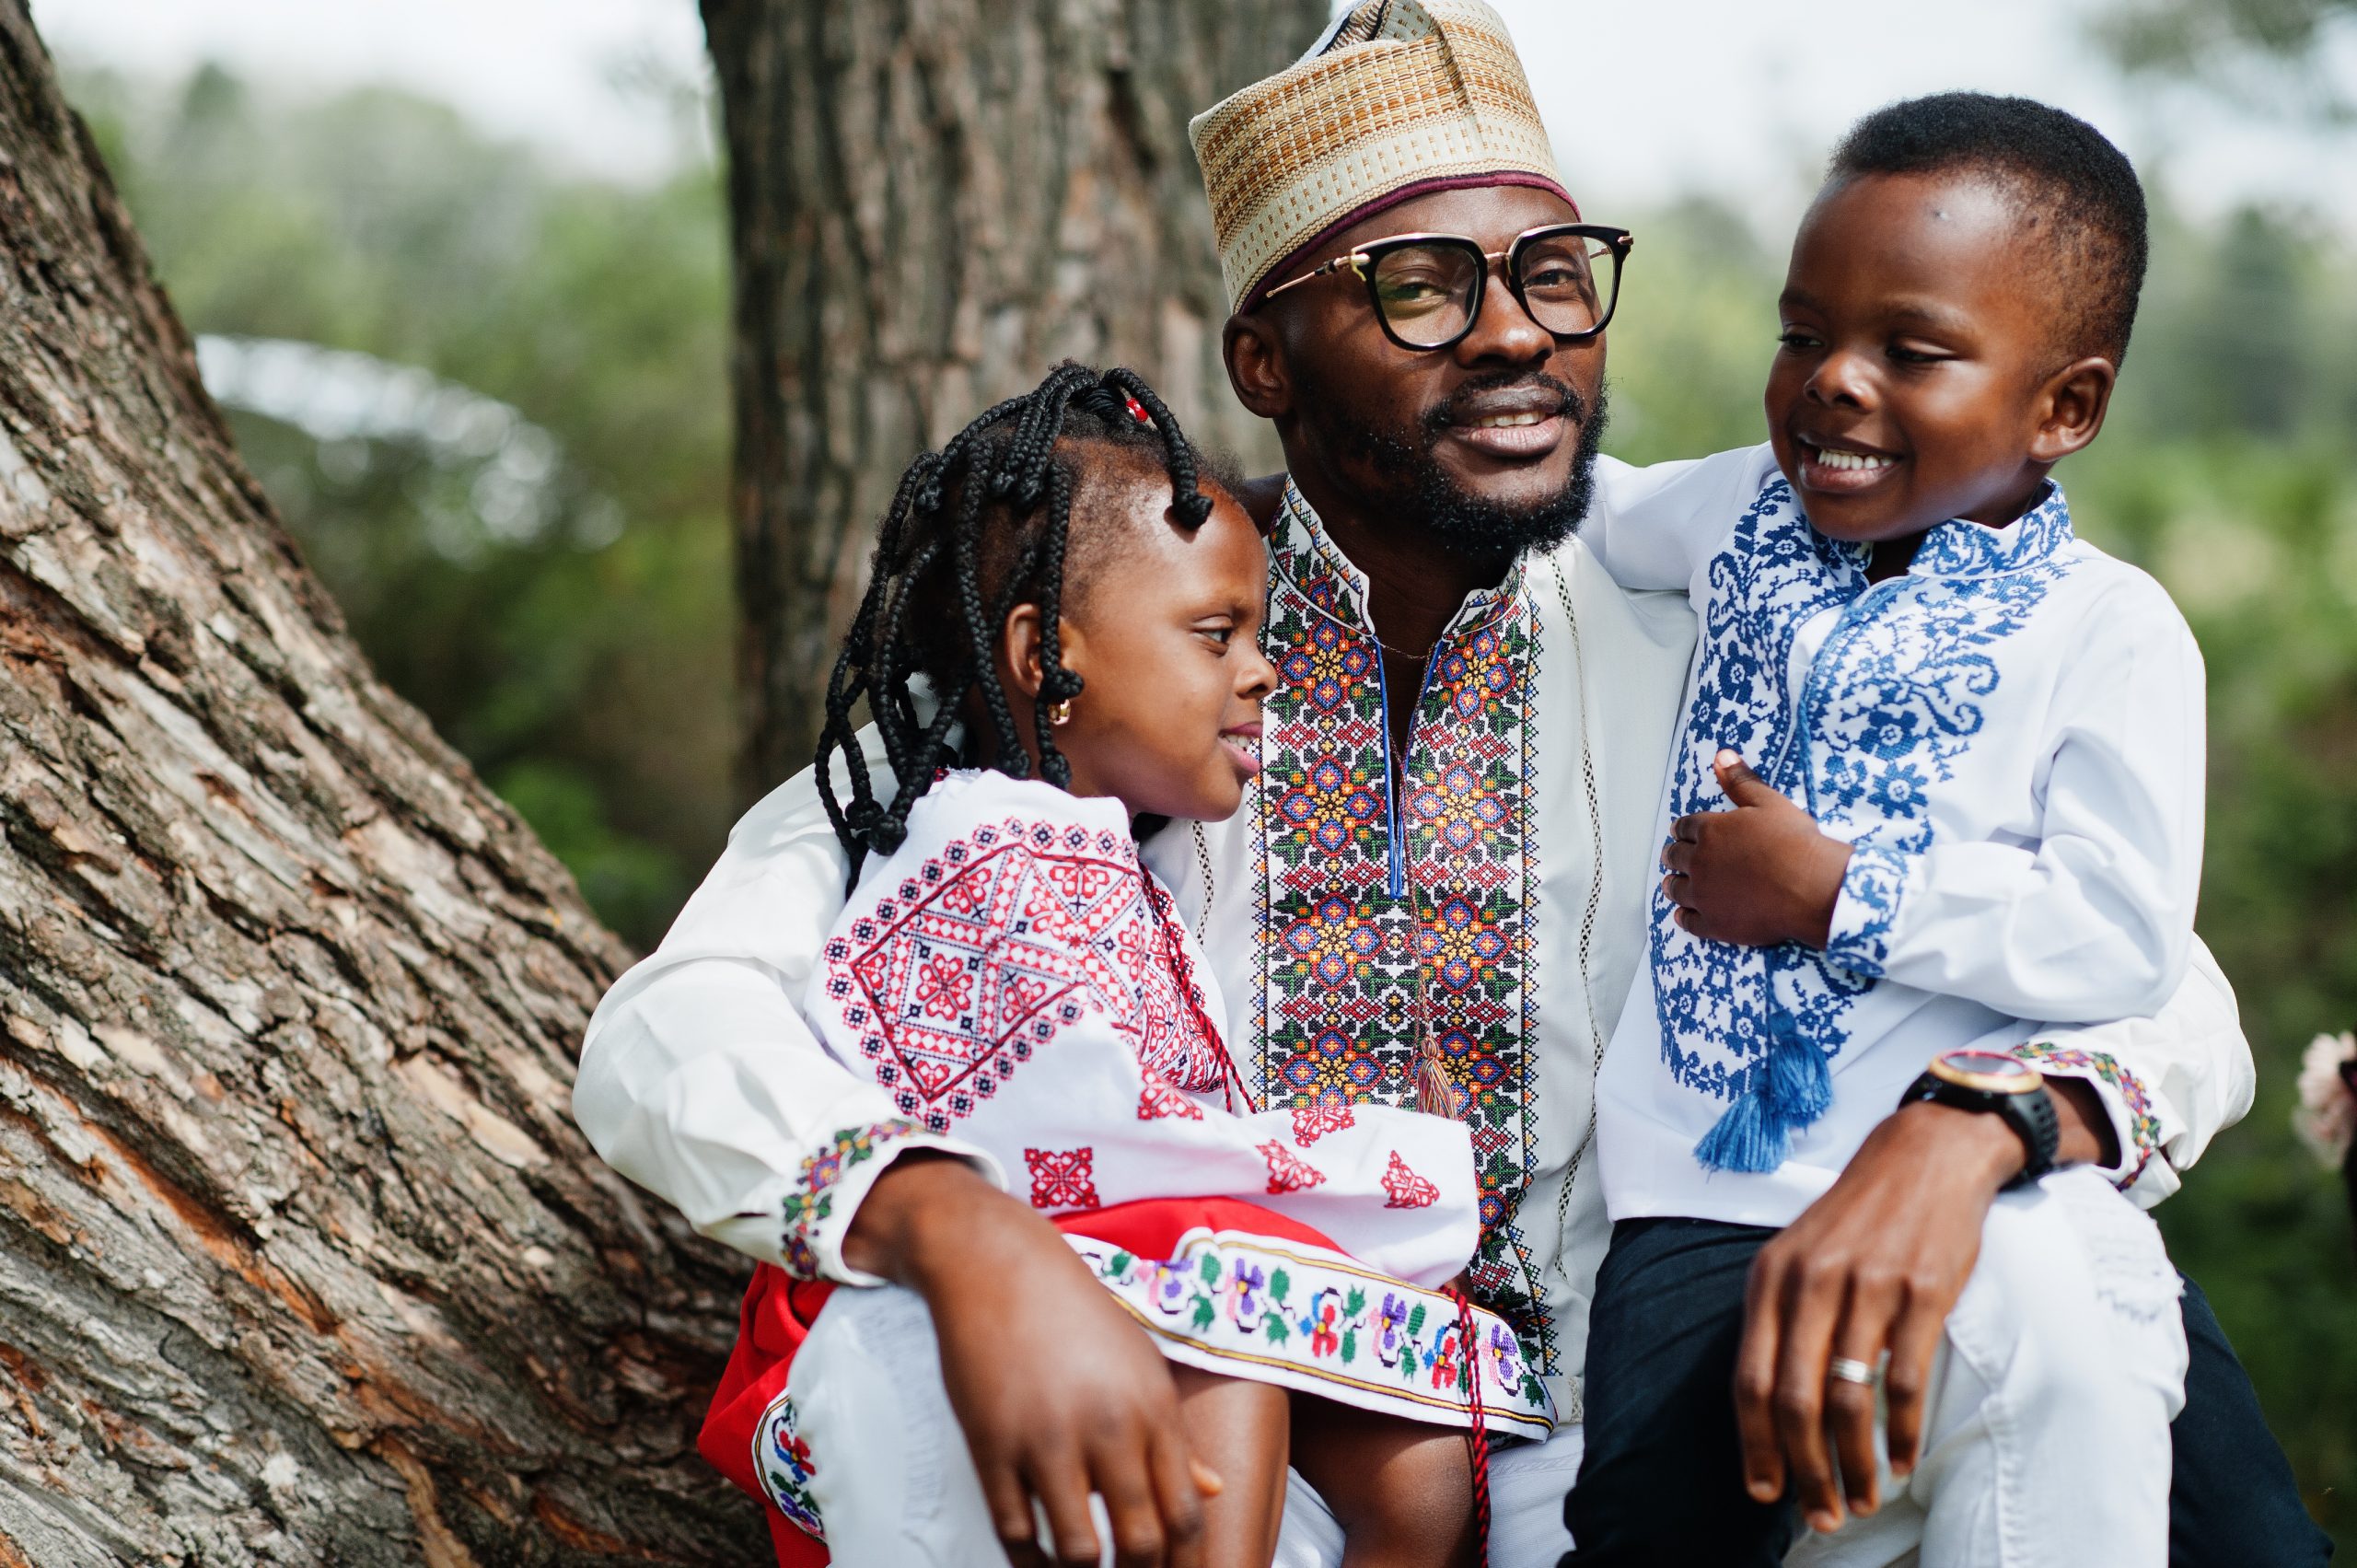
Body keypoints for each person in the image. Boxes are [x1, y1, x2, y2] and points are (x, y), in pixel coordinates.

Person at [574, 5, 2315, 1564]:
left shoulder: (1721, 606)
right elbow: (679, 1022)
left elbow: (2171, 993)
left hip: (1631, 1433)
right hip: (1232, 1440)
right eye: (1421, 286)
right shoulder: (1119, 643)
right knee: (896, 1357)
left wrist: (1980, 1129)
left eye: (1555, 277)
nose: (1517, 340)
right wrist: (945, 1226)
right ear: (1268, 361)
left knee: (2058, 1282)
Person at [707, 359, 1536, 1568]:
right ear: (1048, 657)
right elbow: (1077, 1137)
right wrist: (1377, 1157)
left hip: (1139, 1246)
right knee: (1230, 1356)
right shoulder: (965, 854)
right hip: (954, 1284)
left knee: (1416, 1472)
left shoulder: (1103, 852)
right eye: (1216, 636)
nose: (1263, 672)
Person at [1562, 92, 2198, 1566]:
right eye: (1803, 334)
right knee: (1648, 1526)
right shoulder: (1733, 515)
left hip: (1970, 1210)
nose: (1834, 383)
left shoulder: (2110, 630)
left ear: (2066, 407)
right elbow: (1575, 505)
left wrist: (1842, 890)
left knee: (2209, 1503)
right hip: (1692, 1211)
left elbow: (2120, 933)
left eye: (1911, 352)